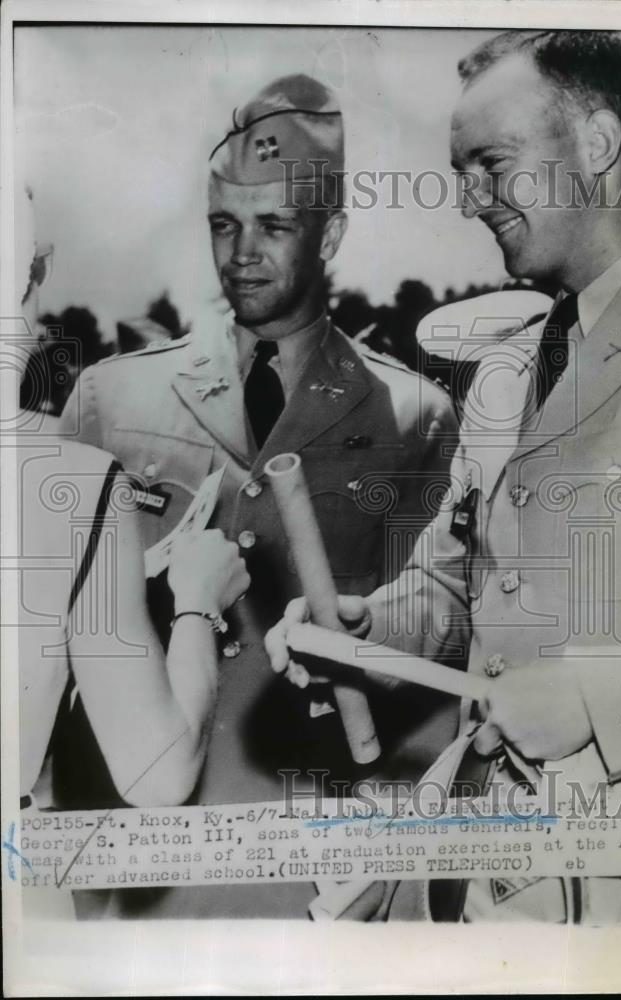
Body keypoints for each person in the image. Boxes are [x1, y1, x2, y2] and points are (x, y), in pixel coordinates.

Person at [267, 31, 621, 925]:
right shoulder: (513, 365)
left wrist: (602, 700)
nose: (467, 199)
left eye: (491, 163)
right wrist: (367, 627)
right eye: (458, 171)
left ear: (599, 145)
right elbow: (467, 583)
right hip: (490, 879)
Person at [59, 74, 458, 919]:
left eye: (275, 225)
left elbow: (428, 661)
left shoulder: (417, 418)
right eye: (224, 225)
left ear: (332, 230)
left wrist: (394, 865)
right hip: (136, 871)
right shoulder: (109, 401)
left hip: (310, 875)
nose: (243, 252)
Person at [10, 188, 249, 916]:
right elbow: (158, 773)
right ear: (25, 284)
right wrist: (196, 601)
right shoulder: (70, 480)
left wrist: (105, 587)